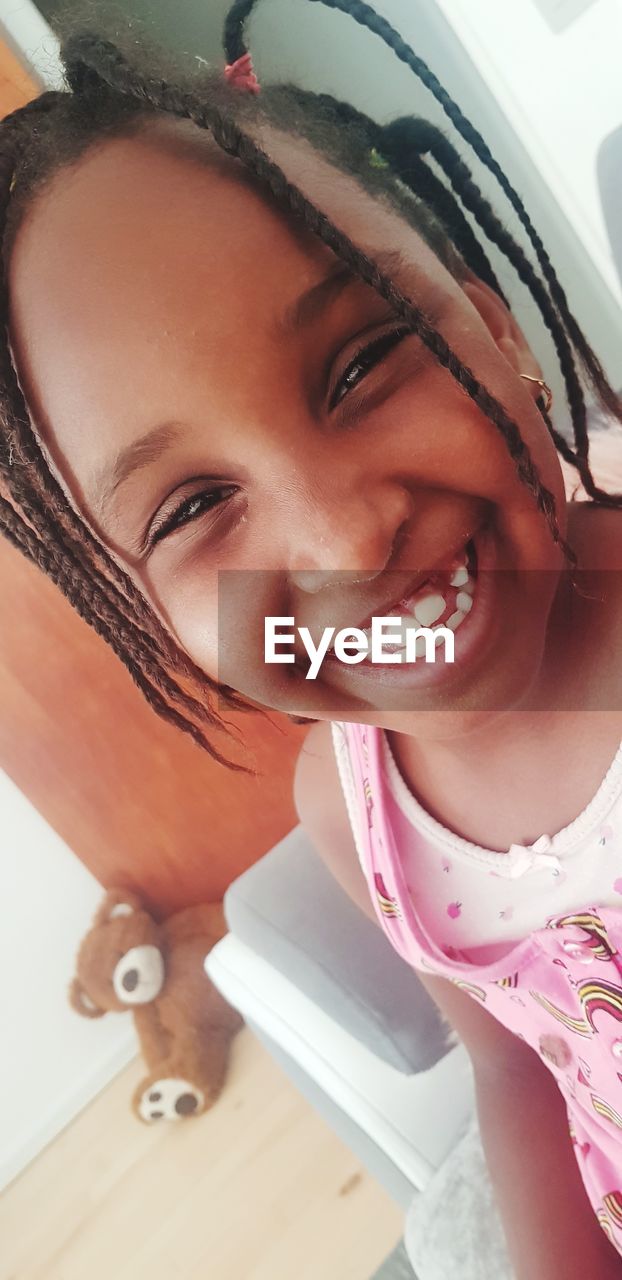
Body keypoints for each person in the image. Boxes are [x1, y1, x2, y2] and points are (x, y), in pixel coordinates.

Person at [1, 1, 622, 1274]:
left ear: (492, 321)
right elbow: (514, 1069)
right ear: (139, 608)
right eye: (191, 507)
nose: (345, 541)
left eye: (364, 362)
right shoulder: (356, 814)